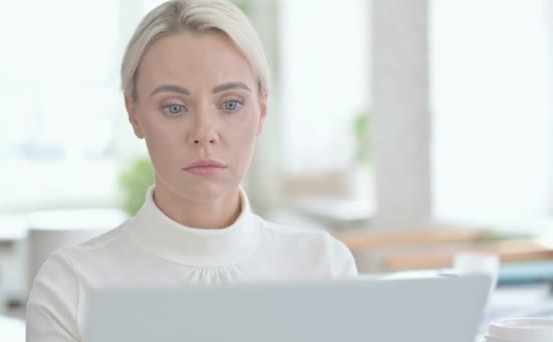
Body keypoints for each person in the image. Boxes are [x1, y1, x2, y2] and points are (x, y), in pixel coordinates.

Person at [26, 0, 357, 340]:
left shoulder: (323, 267)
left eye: (230, 104)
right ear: (134, 112)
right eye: (174, 107)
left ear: (262, 108)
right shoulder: (73, 286)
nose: (204, 133)